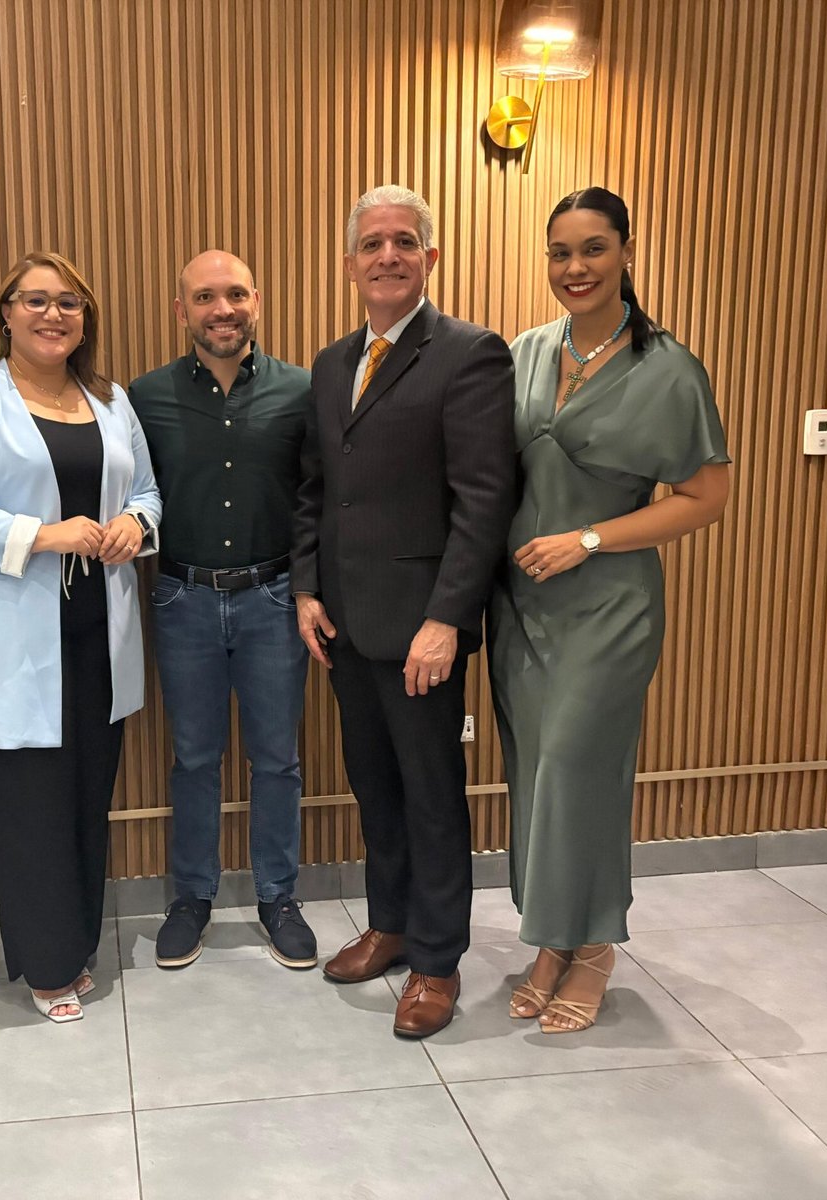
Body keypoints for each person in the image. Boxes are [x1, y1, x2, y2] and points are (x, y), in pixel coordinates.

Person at [490, 187, 731, 1033]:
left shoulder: (668, 369)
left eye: (593, 248)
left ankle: (594, 947)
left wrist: (588, 540)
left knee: (578, 768)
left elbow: (705, 498)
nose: (575, 267)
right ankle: (551, 937)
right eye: (560, 252)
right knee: (534, 771)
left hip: (608, 605)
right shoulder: (524, 353)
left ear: (627, 251)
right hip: (520, 606)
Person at [291, 186, 517, 1038]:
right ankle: (388, 924)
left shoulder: (469, 354)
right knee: (374, 785)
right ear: (349, 263)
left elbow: (483, 500)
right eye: (372, 243)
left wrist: (447, 618)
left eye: (404, 241)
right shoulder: (330, 363)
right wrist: (307, 589)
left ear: (431, 256)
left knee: (430, 794)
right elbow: (316, 489)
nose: (387, 255)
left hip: (422, 628)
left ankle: (435, 957)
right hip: (345, 625)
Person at [0, 251, 161, 1024]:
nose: (53, 315)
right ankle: (47, 965)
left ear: (85, 318)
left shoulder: (110, 399)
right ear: (6, 312)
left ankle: (77, 946)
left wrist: (135, 523)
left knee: (88, 797)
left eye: (69, 303)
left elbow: (148, 491)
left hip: (98, 633)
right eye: (35, 300)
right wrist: (43, 534)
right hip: (16, 637)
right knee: (31, 808)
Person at [128, 251, 317, 970]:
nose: (223, 309)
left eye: (235, 294)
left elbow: (317, 499)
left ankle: (278, 897)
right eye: (205, 297)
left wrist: (309, 588)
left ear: (256, 301)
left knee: (277, 759)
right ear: (183, 311)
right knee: (194, 758)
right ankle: (192, 898)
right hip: (183, 599)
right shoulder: (145, 396)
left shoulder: (302, 390)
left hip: (274, 598)